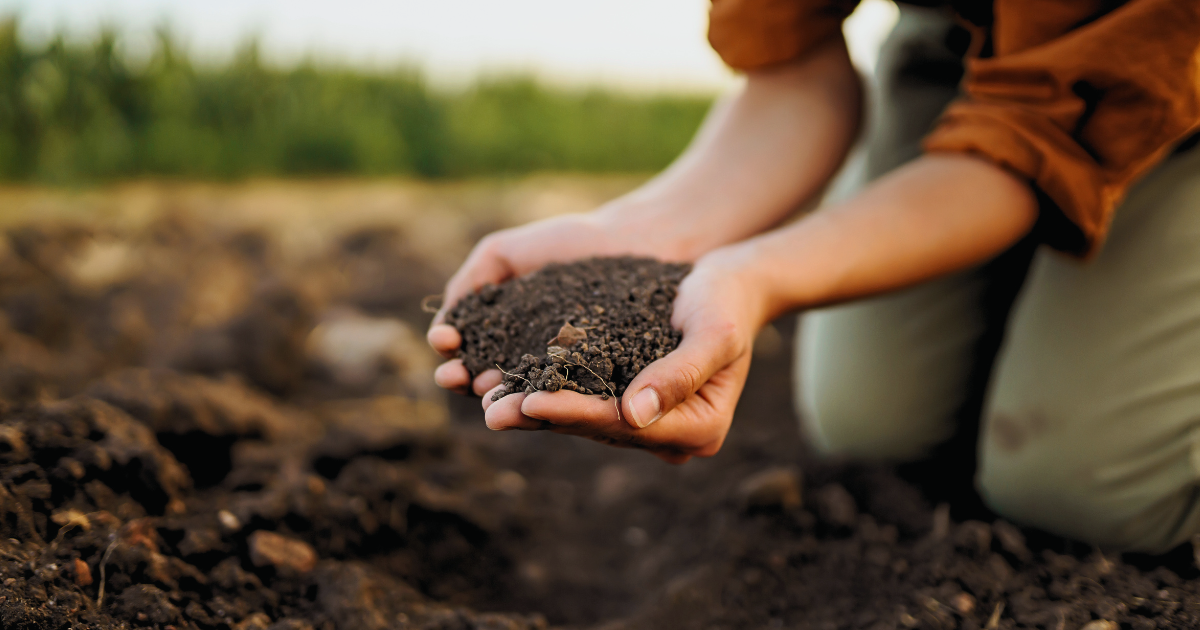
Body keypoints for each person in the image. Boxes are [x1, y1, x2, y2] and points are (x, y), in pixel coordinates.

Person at [427, 0, 1200, 553]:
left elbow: (1030, 142)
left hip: (1165, 57)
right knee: (873, 424)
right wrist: (638, 237)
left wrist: (760, 275)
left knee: (1084, 489)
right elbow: (793, 76)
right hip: (970, 40)